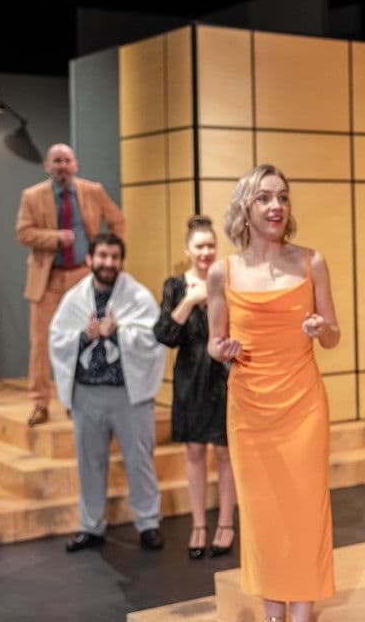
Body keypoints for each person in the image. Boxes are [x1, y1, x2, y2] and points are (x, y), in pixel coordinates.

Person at [206, 164, 341, 622]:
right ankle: (272, 613)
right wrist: (222, 349)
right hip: (249, 409)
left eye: (282, 197)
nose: (276, 206)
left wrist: (321, 328)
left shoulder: (311, 262)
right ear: (246, 207)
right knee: (262, 515)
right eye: (264, 197)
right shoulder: (222, 273)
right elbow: (214, 342)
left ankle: (300, 614)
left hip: (303, 406)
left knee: (305, 510)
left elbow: (333, 335)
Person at [48, 233, 166, 553]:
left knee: (139, 461)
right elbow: (57, 340)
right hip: (87, 394)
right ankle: (91, 526)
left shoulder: (138, 297)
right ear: (90, 259)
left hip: (129, 395)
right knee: (90, 463)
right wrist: (84, 337)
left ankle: (148, 524)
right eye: (102, 256)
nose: (108, 263)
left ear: (121, 261)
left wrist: (118, 334)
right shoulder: (74, 299)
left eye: (114, 257)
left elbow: (153, 340)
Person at [16, 143, 126, 427]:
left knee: (83, 338)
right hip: (47, 279)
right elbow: (23, 232)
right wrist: (54, 238)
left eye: (66, 160)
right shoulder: (32, 196)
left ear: (75, 164)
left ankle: (74, 399)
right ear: (47, 166)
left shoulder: (93, 191)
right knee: (41, 343)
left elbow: (118, 222)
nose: (62, 166)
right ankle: (40, 403)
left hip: (82, 277)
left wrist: (105, 256)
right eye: (57, 161)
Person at [154, 215, 238, 560]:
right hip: (189, 378)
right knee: (193, 451)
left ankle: (227, 522)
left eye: (210, 246)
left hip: (222, 377)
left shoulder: (227, 281)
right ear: (187, 250)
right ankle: (199, 525)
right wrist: (190, 301)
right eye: (199, 246)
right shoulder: (175, 286)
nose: (206, 252)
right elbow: (164, 335)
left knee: (225, 452)